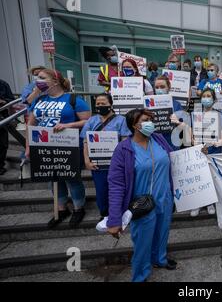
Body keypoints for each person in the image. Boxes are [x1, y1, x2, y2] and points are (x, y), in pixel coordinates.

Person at [107, 109, 177, 282]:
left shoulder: (158, 139)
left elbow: (176, 157)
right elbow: (116, 184)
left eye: (151, 120)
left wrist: (199, 153)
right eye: (146, 120)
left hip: (165, 199)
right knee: (142, 242)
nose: (150, 123)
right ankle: (140, 274)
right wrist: (114, 219)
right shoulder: (123, 149)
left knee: (162, 233)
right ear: (134, 125)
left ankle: (159, 259)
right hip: (141, 204)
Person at [26, 69, 91, 228]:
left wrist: (68, 125)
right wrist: (28, 147)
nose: (37, 80)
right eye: (37, 78)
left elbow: (89, 122)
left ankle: (78, 208)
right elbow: (30, 124)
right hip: (43, 146)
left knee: (72, 178)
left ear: (55, 81)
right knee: (53, 178)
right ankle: (61, 209)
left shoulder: (74, 99)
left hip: (68, 145)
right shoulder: (39, 100)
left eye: (42, 78)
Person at [81, 93, 131, 218]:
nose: (100, 106)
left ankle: (120, 212)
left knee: (119, 189)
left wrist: (123, 161)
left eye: (104, 103)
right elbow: (85, 141)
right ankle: (104, 214)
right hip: (97, 163)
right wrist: (86, 160)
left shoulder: (121, 120)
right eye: (98, 104)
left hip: (117, 163)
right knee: (101, 190)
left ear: (110, 105)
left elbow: (125, 141)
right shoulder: (91, 121)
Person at [190, 89, 222, 217]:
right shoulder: (196, 114)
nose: (206, 98)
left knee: (211, 177)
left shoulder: (220, 115)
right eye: (204, 96)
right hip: (199, 150)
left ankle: (210, 202)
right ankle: (198, 203)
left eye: (209, 96)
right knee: (199, 176)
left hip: (214, 150)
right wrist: (194, 140)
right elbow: (191, 130)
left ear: (214, 99)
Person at [153, 76, 187, 150]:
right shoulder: (150, 105)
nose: (159, 90)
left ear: (169, 87)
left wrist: (178, 122)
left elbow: (185, 128)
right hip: (155, 145)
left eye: (162, 87)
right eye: (157, 87)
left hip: (172, 144)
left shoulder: (176, 105)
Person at [0, 79, 15, 175]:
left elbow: (11, 100)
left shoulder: (3, 84)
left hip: (2, 118)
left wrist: (3, 101)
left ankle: (0, 166)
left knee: (2, 144)